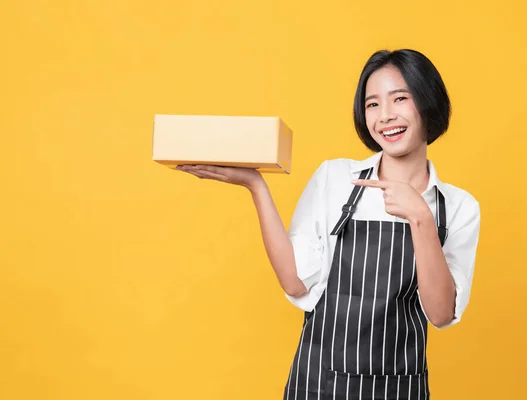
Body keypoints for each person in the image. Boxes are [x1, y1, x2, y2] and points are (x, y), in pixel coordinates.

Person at [177, 49, 481, 400]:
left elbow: (441, 314)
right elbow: (294, 282)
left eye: (400, 98)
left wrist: (421, 219)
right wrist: (255, 185)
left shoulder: (457, 207)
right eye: (372, 104)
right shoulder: (335, 179)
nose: (385, 116)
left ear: (428, 103)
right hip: (320, 383)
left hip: (400, 387)